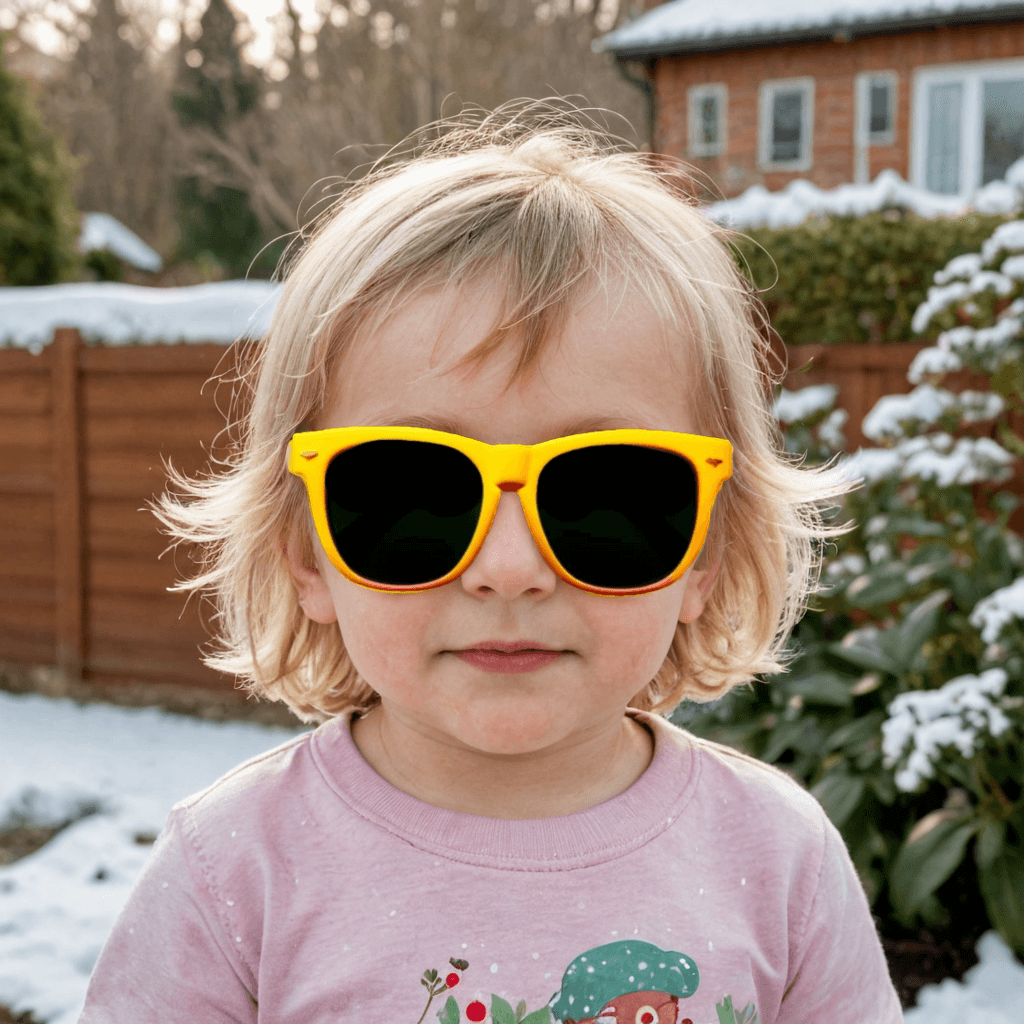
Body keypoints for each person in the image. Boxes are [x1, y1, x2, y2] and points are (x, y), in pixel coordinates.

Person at [78, 98, 902, 1023]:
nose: (509, 570)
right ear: (303, 548)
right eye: (413, 493)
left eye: (609, 494)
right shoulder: (234, 871)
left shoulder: (777, 859)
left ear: (706, 548)